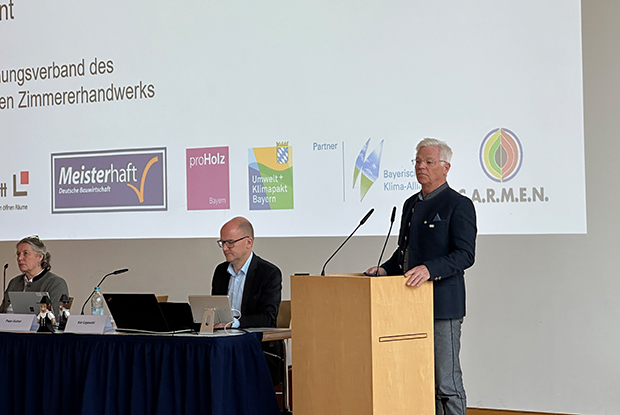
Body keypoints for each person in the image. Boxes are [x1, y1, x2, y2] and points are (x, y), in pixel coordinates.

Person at [365, 138, 476, 415]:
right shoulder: (410, 204)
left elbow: (465, 254)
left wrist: (430, 269)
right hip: (409, 305)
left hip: (442, 306)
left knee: (446, 382)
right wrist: (385, 269)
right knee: (421, 380)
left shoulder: (458, 204)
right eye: (417, 161)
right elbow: (405, 252)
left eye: (428, 161)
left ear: (446, 167)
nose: (421, 167)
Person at [211, 216, 282, 329]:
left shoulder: (268, 273)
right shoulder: (221, 271)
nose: (224, 248)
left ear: (249, 242)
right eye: (222, 242)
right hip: (222, 335)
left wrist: (234, 324)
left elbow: (268, 318)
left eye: (230, 242)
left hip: (253, 336)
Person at [0, 236, 70, 318]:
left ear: (40, 257)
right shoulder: (14, 282)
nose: (19, 258)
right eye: (18, 254)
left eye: (25, 253)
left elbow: (57, 318)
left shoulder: (55, 283)